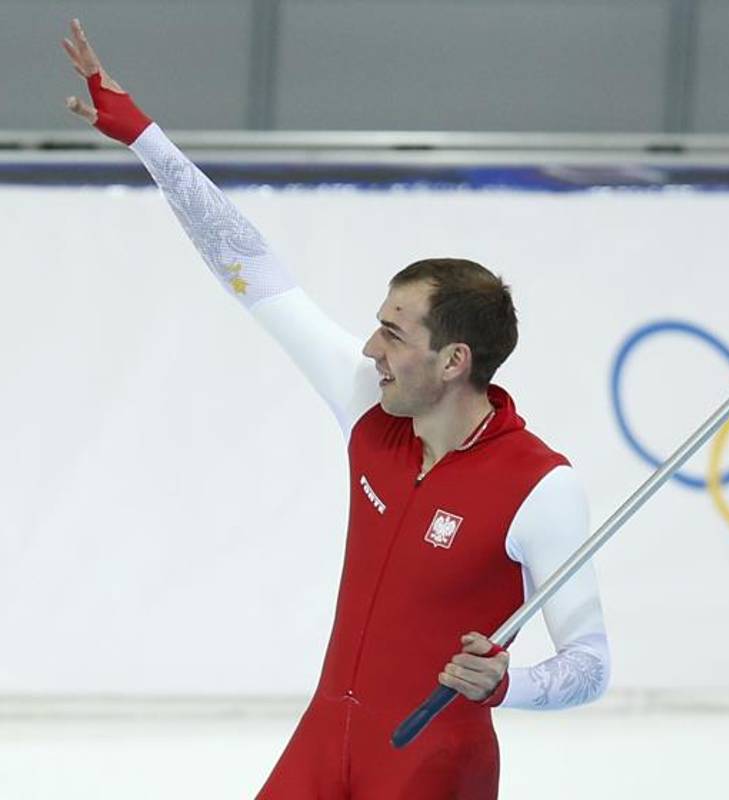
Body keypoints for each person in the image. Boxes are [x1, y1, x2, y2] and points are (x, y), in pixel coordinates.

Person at [61, 18, 610, 799]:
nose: (368, 349)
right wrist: (148, 141)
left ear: (455, 361)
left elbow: (592, 666)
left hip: (430, 764)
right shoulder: (371, 410)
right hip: (325, 743)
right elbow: (255, 274)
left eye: (392, 332)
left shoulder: (542, 486)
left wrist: (503, 688)